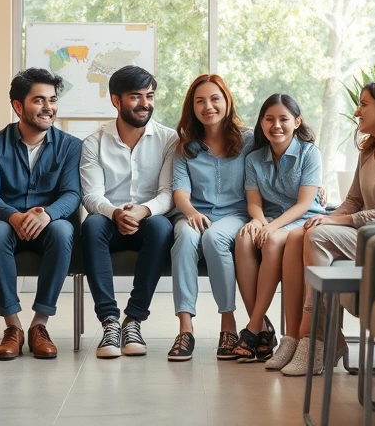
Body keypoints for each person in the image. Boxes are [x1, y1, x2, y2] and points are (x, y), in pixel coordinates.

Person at [272, 79, 375, 376]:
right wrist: (329, 218)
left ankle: (315, 337)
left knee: (317, 236)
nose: (357, 111)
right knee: (298, 235)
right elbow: (353, 201)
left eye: (364, 104)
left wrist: (336, 221)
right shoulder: (369, 151)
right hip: (374, 235)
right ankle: (301, 336)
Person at [0, 68, 82, 361]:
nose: (48, 107)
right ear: (18, 106)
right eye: (39, 100)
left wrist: (47, 215)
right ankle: (13, 327)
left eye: (53, 99)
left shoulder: (71, 146)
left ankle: (39, 326)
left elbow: (72, 194)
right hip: (7, 224)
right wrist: (14, 216)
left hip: (49, 225)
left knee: (63, 230)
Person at [80, 65, 177, 359]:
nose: (145, 103)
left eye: (150, 95)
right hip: (109, 222)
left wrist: (142, 211)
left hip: (149, 221)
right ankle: (110, 322)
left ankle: (133, 320)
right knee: (92, 225)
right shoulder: (94, 142)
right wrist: (115, 214)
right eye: (136, 96)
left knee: (162, 226)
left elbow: (167, 193)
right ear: (116, 100)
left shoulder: (169, 139)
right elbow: (91, 195)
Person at [232, 94, 325, 363]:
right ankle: (262, 328)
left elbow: (304, 204)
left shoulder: (309, 153)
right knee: (244, 238)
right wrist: (260, 222)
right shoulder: (253, 158)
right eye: (269, 119)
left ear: (297, 121)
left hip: (302, 219)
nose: (276, 125)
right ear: (261, 122)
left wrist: (270, 227)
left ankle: (253, 327)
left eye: (284, 119)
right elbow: (253, 202)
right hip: (270, 219)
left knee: (271, 241)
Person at [167, 74, 253, 362]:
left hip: (235, 213)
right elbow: (180, 191)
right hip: (195, 212)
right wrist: (191, 213)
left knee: (215, 238)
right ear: (192, 107)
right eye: (200, 101)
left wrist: (318, 185)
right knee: (184, 236)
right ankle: (185, 329)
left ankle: (228, 325)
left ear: (227, 101)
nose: (208, 107)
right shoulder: (185, 146)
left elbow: (282, 154)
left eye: (215, 99)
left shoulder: (250, 140)